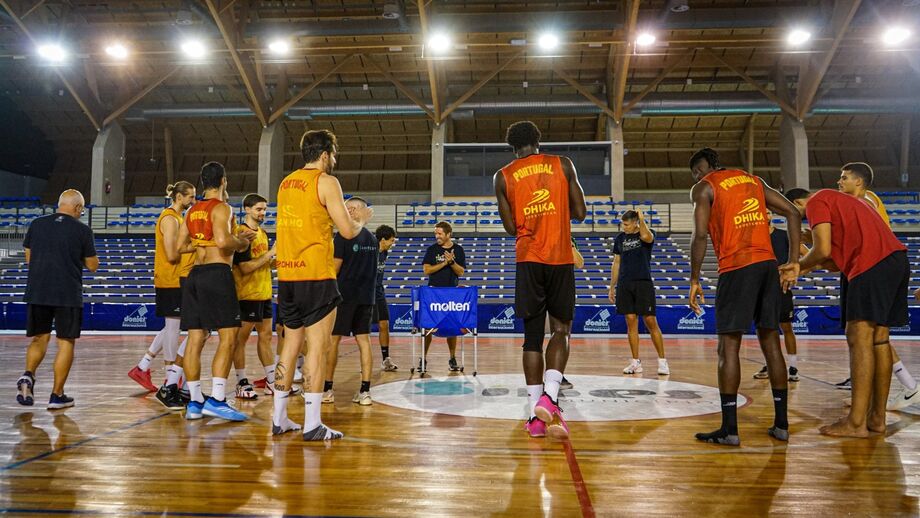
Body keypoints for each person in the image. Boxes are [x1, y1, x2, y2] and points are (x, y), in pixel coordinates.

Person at [688, 148, 801, 446]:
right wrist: (791, 261)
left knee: (728, 347)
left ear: (700, 170)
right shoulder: (752, 180)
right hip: (767, 265)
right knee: (770, 342)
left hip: (737, 266)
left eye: (696, 172)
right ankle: (781, 425)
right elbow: (793, 211)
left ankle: (729, 429)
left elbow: (700, 235)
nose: (697, 177)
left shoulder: (704, 187)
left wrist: (695, 278)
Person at [783, 188, 909, 437]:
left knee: (858, 336)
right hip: (895, 260)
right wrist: (806, 267)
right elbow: (834, 262)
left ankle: (855, 423)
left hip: (871, 263)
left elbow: (823, 250)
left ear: (798, 203)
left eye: (792, 213)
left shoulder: (817, 201)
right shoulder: (842, 203)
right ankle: (876, 418)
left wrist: (797, 264)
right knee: (880, 340)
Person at [495, 120, 587, 439]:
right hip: (560, 256)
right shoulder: (562, 164)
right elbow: (581, 211)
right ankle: (550, 396)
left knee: (531, 337)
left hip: (528, 259)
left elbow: (510, 227)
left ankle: (535, 417)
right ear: (538, 139)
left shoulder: (502, 176)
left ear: (512, 147)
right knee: (561, 329)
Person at [273, 129, 365, 441]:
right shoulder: (327, 181)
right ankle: (312, 423)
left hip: (287, 276)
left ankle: (279, 418)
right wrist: (360, 219)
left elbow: (309, 218)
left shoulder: (286, 183)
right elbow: (348, 232)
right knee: (318, 348)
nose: (334, 160)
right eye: (333, 155)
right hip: (316, 275)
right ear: (325, 154)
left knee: (289, 346)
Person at [175, 162, 255, 421]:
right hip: (217, 274)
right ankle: (218, 400)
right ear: (223, 181)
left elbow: (180, 247)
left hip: (194, 275)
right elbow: (223, 241)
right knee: (229, 337)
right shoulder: (223, 208)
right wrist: (242, 242)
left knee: (194, 338)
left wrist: (202, 242)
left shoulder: (192, 210)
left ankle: (195, 402)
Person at [834, 162, 917, 409]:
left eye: (844, 177)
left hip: (872, 266)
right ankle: (896, 389)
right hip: (873, 265)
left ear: (858, 182)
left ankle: (903, 387)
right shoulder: (865, 202)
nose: (839, 181)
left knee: (869, 335)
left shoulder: (865, 201)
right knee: (875, 337)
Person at [16, 189, 99, 409]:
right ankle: (56, 395)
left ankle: (28, 375)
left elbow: (29, 256)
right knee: (65, 343)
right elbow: (92, 266)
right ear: (78, 208)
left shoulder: (37, 224)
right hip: (67, 293)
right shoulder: (82, 230)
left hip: (38, 290)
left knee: (39, 339)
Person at [129, 182, 196, 409]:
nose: (193, 201)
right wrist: (196, 245)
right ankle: (170, 378)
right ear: (178, 197)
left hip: (175, 278)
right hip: (170, 278)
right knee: (173, 327)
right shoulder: (169, 219)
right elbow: (171, 253)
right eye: (190, 197)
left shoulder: (177, 218)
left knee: (171, 326)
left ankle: (144, 366)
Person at [324, 197, 378, 406]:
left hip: (344, 296)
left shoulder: (343, 237)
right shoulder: (372, 239)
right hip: (366, 297)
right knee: (364, 342)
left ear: (358, 211)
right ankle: (365, 391)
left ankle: (327, 389)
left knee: (333, 341)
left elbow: (334, 268)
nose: (346, 212)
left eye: (350, 209)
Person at [608, 209, 669, 376]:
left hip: (643, 283)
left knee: (650, 321)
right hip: (625, 284)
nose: (623, 227)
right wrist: (612, 286)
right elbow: (617, 262)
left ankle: (662, 362)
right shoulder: (620, 239)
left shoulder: (646, 234)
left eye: (626, 224)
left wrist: (642, 220)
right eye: (622, 223)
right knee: (630, 320)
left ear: (635, 223)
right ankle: (635, 362)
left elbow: (647, 237)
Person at [231, 193, 277, 400]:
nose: (262, 213)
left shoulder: (263, 233)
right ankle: (241, 381)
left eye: (264, 209)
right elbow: (245, 267)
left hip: (264, 292)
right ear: (247, 209)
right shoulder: (242, 233)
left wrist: (278, 258)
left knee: (266, 337)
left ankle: (272, 381)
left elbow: (264, 262)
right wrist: (269, 255)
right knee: (240, 340)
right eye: (259, 209)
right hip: (247, 294)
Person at [753, 213, 799, 382]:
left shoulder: (783, 235)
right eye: (763, 212)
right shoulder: (753, 236)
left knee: (786, 327)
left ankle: (793, 366)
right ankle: (769, 363)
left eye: (769, 212)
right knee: (766, 329)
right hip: (761, 289)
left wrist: (795, 271)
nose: (766, 215)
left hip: (781, 289)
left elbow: (804, 253)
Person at [419, 221, 467, 373]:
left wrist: (451, 262)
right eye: (435, 233)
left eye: (439, 233)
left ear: (448, 234)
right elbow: (426, 270)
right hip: (433, 294)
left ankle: (452, 358)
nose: (437, 236)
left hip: (451, 294)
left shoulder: (458, 250)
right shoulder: (432, 250)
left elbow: (460, 272)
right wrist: (444, 263)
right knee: (427, 328)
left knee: (452, 328)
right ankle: (423, 358)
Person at [373, 225, 398, 372]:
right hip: (366, 291)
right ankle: (365, 361)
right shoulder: (371, 251)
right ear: (383, 239)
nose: (392, 243)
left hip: (379, 291)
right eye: (391, 240)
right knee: (362, 330)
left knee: (384, 324)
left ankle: (385, 359)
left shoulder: (385, 252)